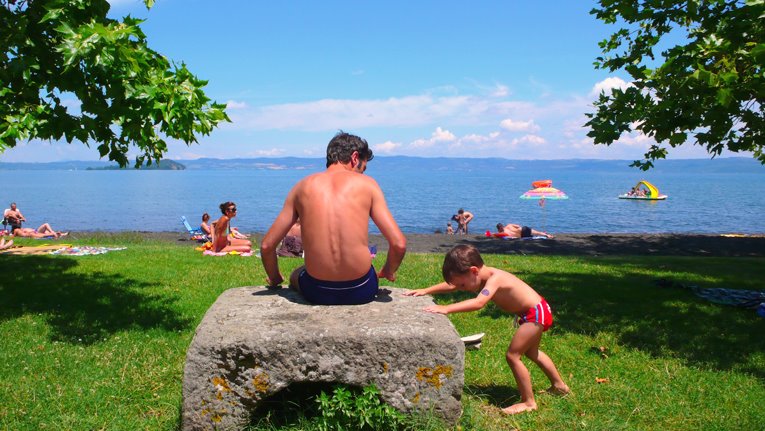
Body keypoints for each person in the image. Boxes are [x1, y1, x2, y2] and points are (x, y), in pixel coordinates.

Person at [403, 244, 569, 415]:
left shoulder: (495, 279)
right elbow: (452, 285)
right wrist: (426, 290)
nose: (461, 289)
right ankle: (559, 386)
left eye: (462, 285)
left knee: (513, 356)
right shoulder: (481, 276)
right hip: (536, 311)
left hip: (535, 314)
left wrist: (447, 308)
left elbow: (478, 303)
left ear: (474, 271)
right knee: (532, 353)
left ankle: (528, 402)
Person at [261, 131, 406, 305]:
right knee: (369, 271)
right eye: (363, 168)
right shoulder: (368, 185)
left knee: (296, 273)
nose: (362, 174)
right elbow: (399, 244)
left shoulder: (301, 187)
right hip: (361, 288)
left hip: (316, 291)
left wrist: (275, 278)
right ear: (354, 158)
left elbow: (267, 245)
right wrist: (388, 271)